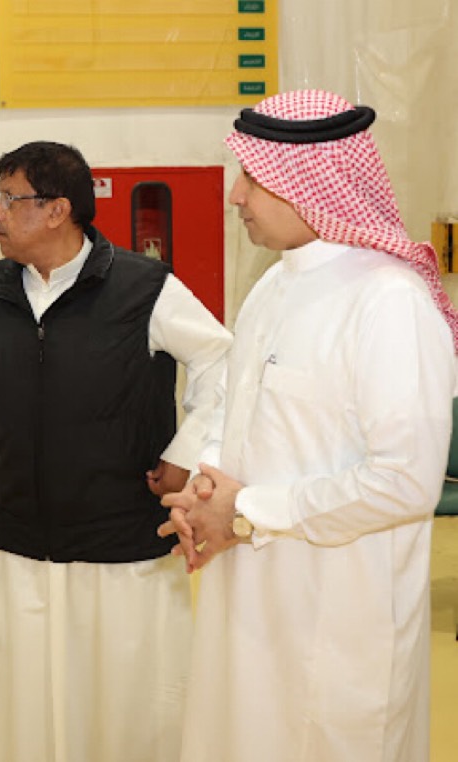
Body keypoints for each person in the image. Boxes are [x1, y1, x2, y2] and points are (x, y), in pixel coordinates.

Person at [160, 89, 458, 762]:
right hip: (250, 601)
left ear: (310, 184)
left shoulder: (388, 302)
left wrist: (248, 510)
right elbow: (236, 408)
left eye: (253, 177)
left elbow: (405, 483)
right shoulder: (272, 287)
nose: (236, 195)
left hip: (340, 617)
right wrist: (208, 490)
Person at [0, 140, 233, 762]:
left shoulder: (144, 288)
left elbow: (225, 364)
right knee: (24, 707)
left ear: (57, 210)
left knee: (125, 711)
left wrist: (187, 452)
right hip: (20, 545)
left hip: (122, 552)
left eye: (10, 199)